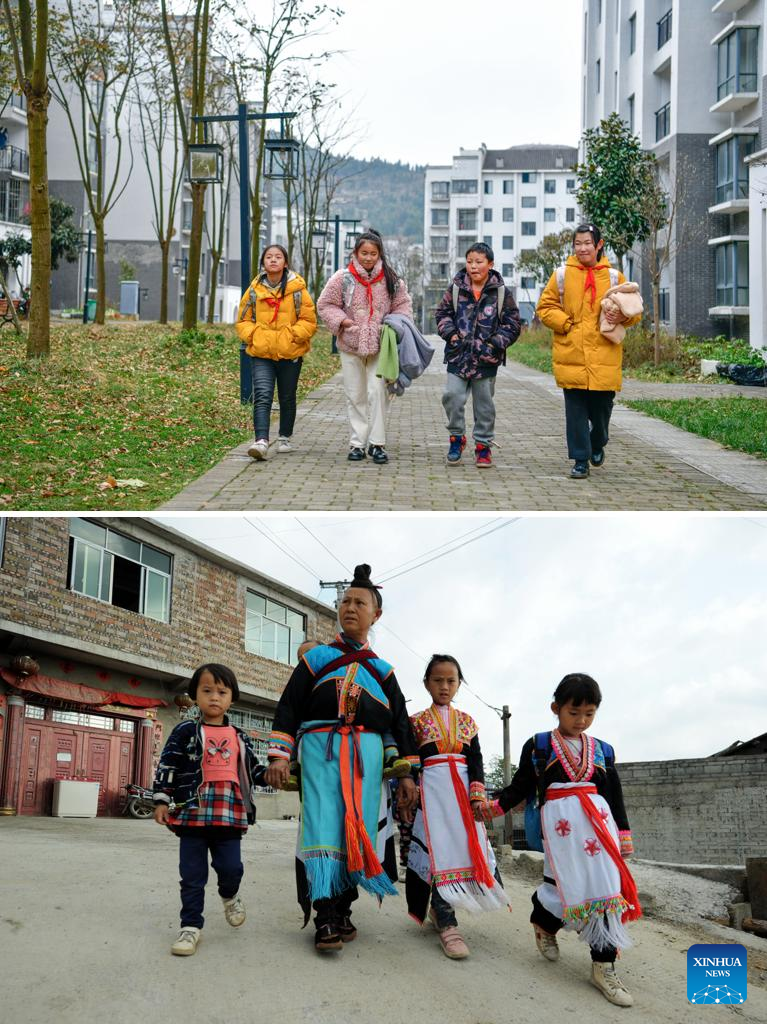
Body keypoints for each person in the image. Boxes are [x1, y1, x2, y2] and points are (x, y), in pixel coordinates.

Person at [265, 564, 420, 952]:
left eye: (360, 602)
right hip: (321, 752)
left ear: (376, 615)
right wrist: (279, 756)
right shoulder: (315, 660)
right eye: (345, 600)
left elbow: (401, 724)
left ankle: (345, 906)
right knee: (322, 826)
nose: (350, 607)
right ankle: (325, 916)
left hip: (365, 760)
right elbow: (289, 708)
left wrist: (407, 775)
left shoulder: (383, 671)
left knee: (358, 828)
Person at [483, 673, 641, 1006]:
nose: (581, 720)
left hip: (600, 827)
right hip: (562, 830)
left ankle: (603, 965)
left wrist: (623, 833)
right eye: (574, 712)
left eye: (589, 713)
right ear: (556, 708)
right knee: (563, 889)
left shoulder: (603, 750)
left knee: (607, 892)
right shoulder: (539, 746)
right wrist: (493, 808)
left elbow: (613, 794)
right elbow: (522, 786)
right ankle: (543, 922)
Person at [152, 664, 266, 957]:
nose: (214, 697)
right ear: (195, 696)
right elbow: (168, 764)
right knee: (191, 874)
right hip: (192, 811)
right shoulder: (185, 730)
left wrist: (279, 773)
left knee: (231, 868)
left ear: (231, 699)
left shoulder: (239, 735)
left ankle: (229, 895)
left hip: (229, 811)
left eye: (222, 692)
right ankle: (190, 926)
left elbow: (254, 770)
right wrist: (162, 799)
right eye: (206, 691)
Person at [406, 654, 510, 959]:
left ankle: (444, 912)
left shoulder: (468, 722)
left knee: (464, 851)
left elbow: (475, 759)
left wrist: (477, 795)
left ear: (459, 684)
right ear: (426, 683)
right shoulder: (417, 723)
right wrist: (410, 786)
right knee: (440, 855)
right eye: (437, 680)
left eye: (451, 680)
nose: (444, 686)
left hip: (463, 797)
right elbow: (413, 761)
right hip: (433, 795)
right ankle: (447, 922)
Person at [536, 224, 642, 480]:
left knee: (602, 409)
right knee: (575, 411)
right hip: (570, 352)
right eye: (577, 243)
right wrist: (566, 323)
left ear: (599, 245)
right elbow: (545, 307)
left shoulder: (615, 276)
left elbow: (634, 311)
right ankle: (580, 459)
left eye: (587, 243)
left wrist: (621, 317)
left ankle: (599, 441)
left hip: (604, 355)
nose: (582, 248)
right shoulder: (561, 275)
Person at [316, 230, 413, 464]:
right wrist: (342, 321)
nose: (368, 258)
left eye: (373, 253)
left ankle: (377, 443)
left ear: (380, 254)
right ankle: (357, 443)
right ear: (355, 253)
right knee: (355, 394)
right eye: (364, 253)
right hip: (350, 343)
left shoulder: (392, 279)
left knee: (377, 392)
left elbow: (403, 306)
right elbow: (325, 304)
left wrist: (391, 325)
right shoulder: (342, 278)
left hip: (381, 345)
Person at [434, 243, 521, 468]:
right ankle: (456, 438)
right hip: (458, 356)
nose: (473, 266)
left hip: (486, 359)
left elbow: (512, 324)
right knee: (452, 397)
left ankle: (483, 446)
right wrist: (451, 335)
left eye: (479, 262)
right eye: (470, 261)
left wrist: (493, 345)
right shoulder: (456, 287)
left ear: (490, 265)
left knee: (484, 405)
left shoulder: (500, 291)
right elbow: (442, 313)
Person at [235, 244, 317, 461]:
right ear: (263, 262)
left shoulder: (297, 290)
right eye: (268, 257)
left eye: (278, 257)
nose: (273, 260)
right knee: (262, 395)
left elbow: (309, 321)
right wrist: (254, 336)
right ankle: (261, 440)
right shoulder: (254, 290)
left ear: (285, 262)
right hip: (261, 352)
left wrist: (292, 336)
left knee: (287, 397)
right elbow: (243, 320)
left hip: (290, 353)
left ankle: (284, 436)